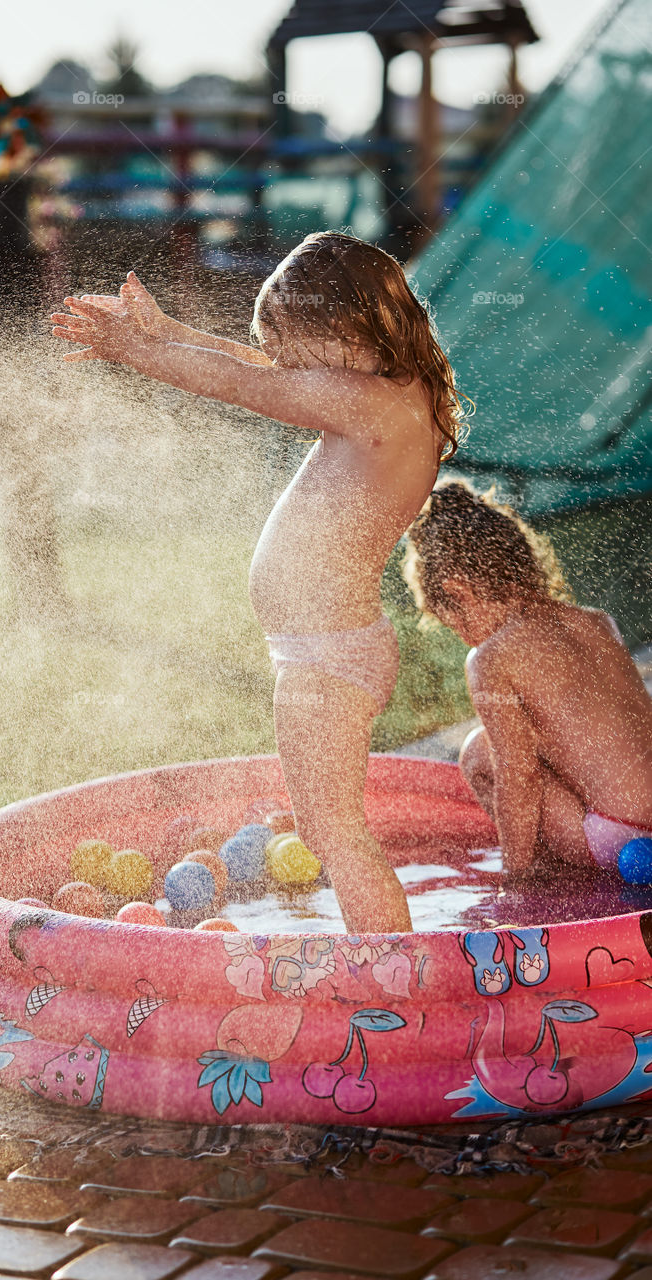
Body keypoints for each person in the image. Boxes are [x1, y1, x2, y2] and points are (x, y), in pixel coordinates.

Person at [50, 231, 469, 932]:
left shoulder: (375, 405)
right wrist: (170, 332)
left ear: (347, 324)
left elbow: (252, 384)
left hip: (326, 659)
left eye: (291, 341)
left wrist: (141, 352)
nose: (281, 357)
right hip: (324, 649)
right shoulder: (385, 390)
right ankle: (387, 960)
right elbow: (261, 370)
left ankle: (391, 976)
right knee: (329, 827)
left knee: (333, 833)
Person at [402, 480, 652, 880]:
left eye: (454, 625)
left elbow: (520, 777)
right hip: (644, 832)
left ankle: (544, 875)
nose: (466, 638)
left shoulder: (491, 657)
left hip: (618, 836)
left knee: (478, 753)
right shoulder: (595, 621)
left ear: (458, 591)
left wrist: (513, 881)